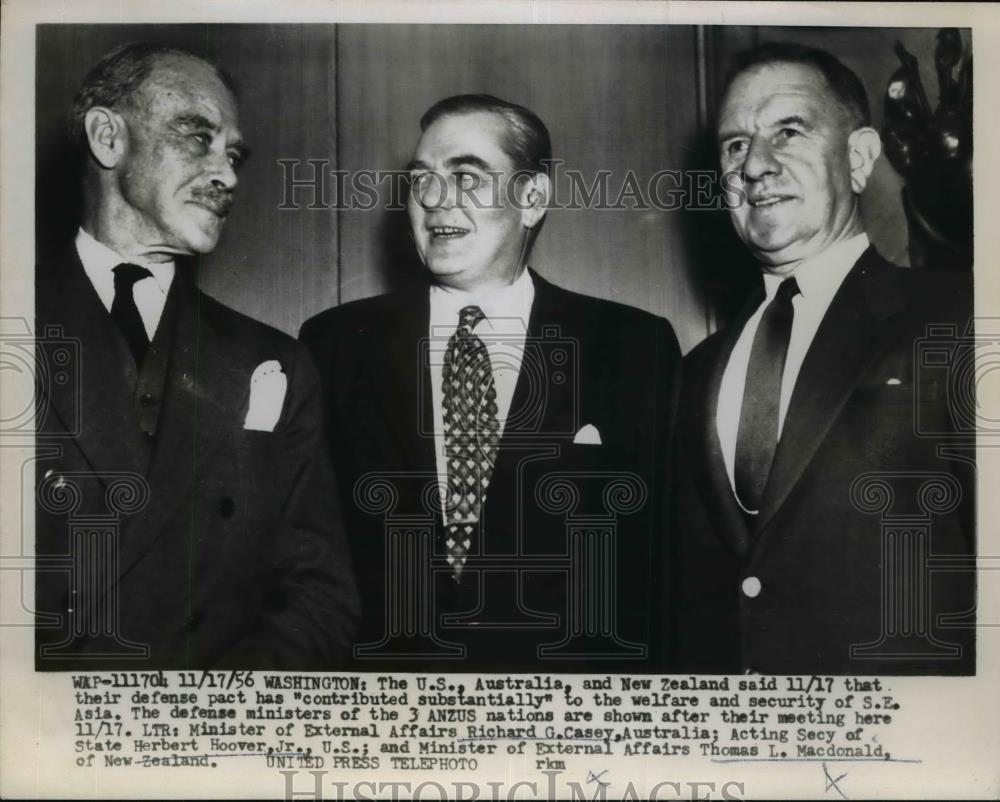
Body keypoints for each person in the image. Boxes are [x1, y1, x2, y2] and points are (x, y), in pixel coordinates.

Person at [301, 94, 680, 671]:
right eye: (421, 180)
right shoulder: (334, 344)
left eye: (467, 176)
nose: (434, 201)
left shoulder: (632, 346)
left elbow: (657, 568)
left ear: (532, 198)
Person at [34, 42, 359, 670]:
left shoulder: (277, 365)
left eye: (233, 154)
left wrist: (203, 722)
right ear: (108, 138)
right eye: (197, 137)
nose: (228, 175)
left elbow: (320, 598)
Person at [670, 42, 975, 675]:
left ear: (859, 158)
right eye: (734, 146)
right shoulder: (696, 370)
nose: (755, 165)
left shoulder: (960, 317)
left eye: (789, 130)